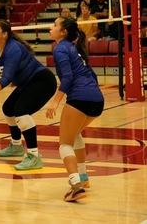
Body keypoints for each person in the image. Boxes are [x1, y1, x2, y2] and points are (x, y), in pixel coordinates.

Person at [0, 20, 57, 170]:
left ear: (4, 34)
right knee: (8, 108)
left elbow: (6, 79)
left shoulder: (13, 49)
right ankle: (16, 146)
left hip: (43, 81)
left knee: (21, 112)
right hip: (26, 84)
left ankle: (34, 156)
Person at [46, 17, 104, 202]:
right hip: (96, 100)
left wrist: (55, 101)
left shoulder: (61, 48)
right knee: (75, 134)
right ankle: (83, 177)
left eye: (55, 25)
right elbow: (91, 75)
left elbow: (68, 78)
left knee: (64, 143)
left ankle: (76, 186)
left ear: (63, 32)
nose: (50, 28)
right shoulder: (74, 48)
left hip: (80, 98)